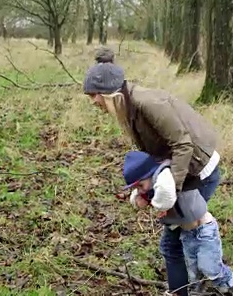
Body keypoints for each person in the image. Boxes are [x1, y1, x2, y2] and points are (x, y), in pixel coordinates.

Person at [82, 51, 224, 296]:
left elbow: (183, 144)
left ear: (109, 93)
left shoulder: (147, 104)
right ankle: (197, 286)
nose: (93, 101)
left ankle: (218, 285)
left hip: (198, 170)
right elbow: (157, 155)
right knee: (180, 241)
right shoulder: (128, 107)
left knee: (176, 243)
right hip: (183, 170)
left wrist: (171, 191)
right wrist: (144, 190)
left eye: (94, 95)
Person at [122, 150, 233, 295]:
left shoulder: (166, 180)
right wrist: (140, 195)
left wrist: (155, 204)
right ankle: (199, 291)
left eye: (140, 185)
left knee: (210, 268)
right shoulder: (154, 183)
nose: (140, 190)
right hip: (188, 234)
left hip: (204, 231)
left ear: (150, 174)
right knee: (194, 273)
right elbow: (146, 195)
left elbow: (165, 196)